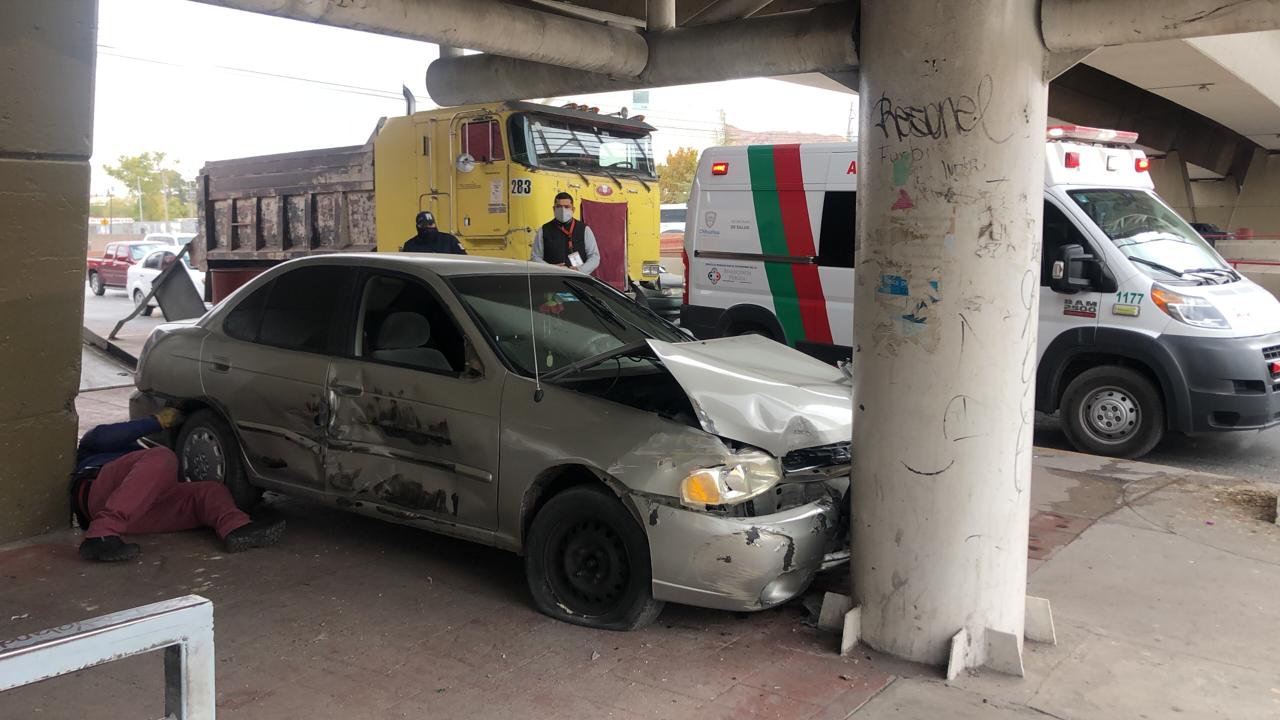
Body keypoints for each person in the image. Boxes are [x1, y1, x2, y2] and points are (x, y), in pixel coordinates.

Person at [71, 409, 285, 562]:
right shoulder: (92, 447)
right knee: (163, 457)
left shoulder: (141, 452)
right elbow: (102, 436)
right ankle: (100, 535)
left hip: (138, 512)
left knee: (209, 490)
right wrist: (155, 421)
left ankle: (237, 528)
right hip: (97, 493)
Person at [531, 192, 600, 273]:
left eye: (567, 207)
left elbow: (594, 256)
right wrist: (550, 268)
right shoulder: (543, 230)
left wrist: (580, 270)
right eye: (559, 207)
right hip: (551, 278)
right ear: (554, 209)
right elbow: (535, 257)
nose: (563, 210)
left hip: (577, 279)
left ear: (573, 209)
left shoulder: (584, 229)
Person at [401, 211, 466, 254]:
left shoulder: (450, 241)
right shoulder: (410, 246)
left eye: (431, 224)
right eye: (425, 225)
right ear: (418, 226)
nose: (429, 227)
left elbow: (464, 260)